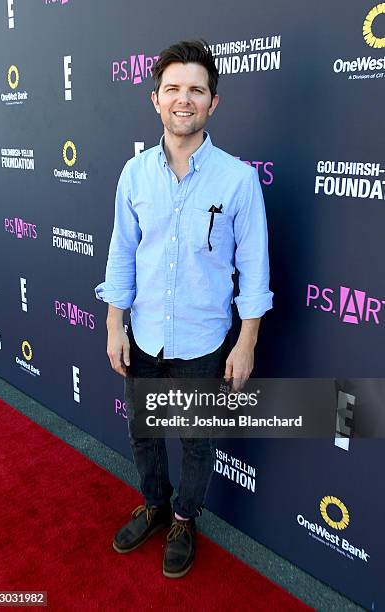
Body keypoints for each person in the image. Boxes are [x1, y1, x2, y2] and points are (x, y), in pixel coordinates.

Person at [95, 39, 273, 578]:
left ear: (212, 103)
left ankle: (183, 518)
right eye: (173, 88)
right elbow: (121, 252)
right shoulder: (134, 175)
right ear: (156, 99)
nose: (183, 99)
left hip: (204, 342)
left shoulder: (238, 179)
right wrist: (114, 324)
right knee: (144, 435)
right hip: (144, 335)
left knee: (197, 442)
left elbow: (256, 268)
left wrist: (247, 342)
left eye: (196, 89)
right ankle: (153, 505)